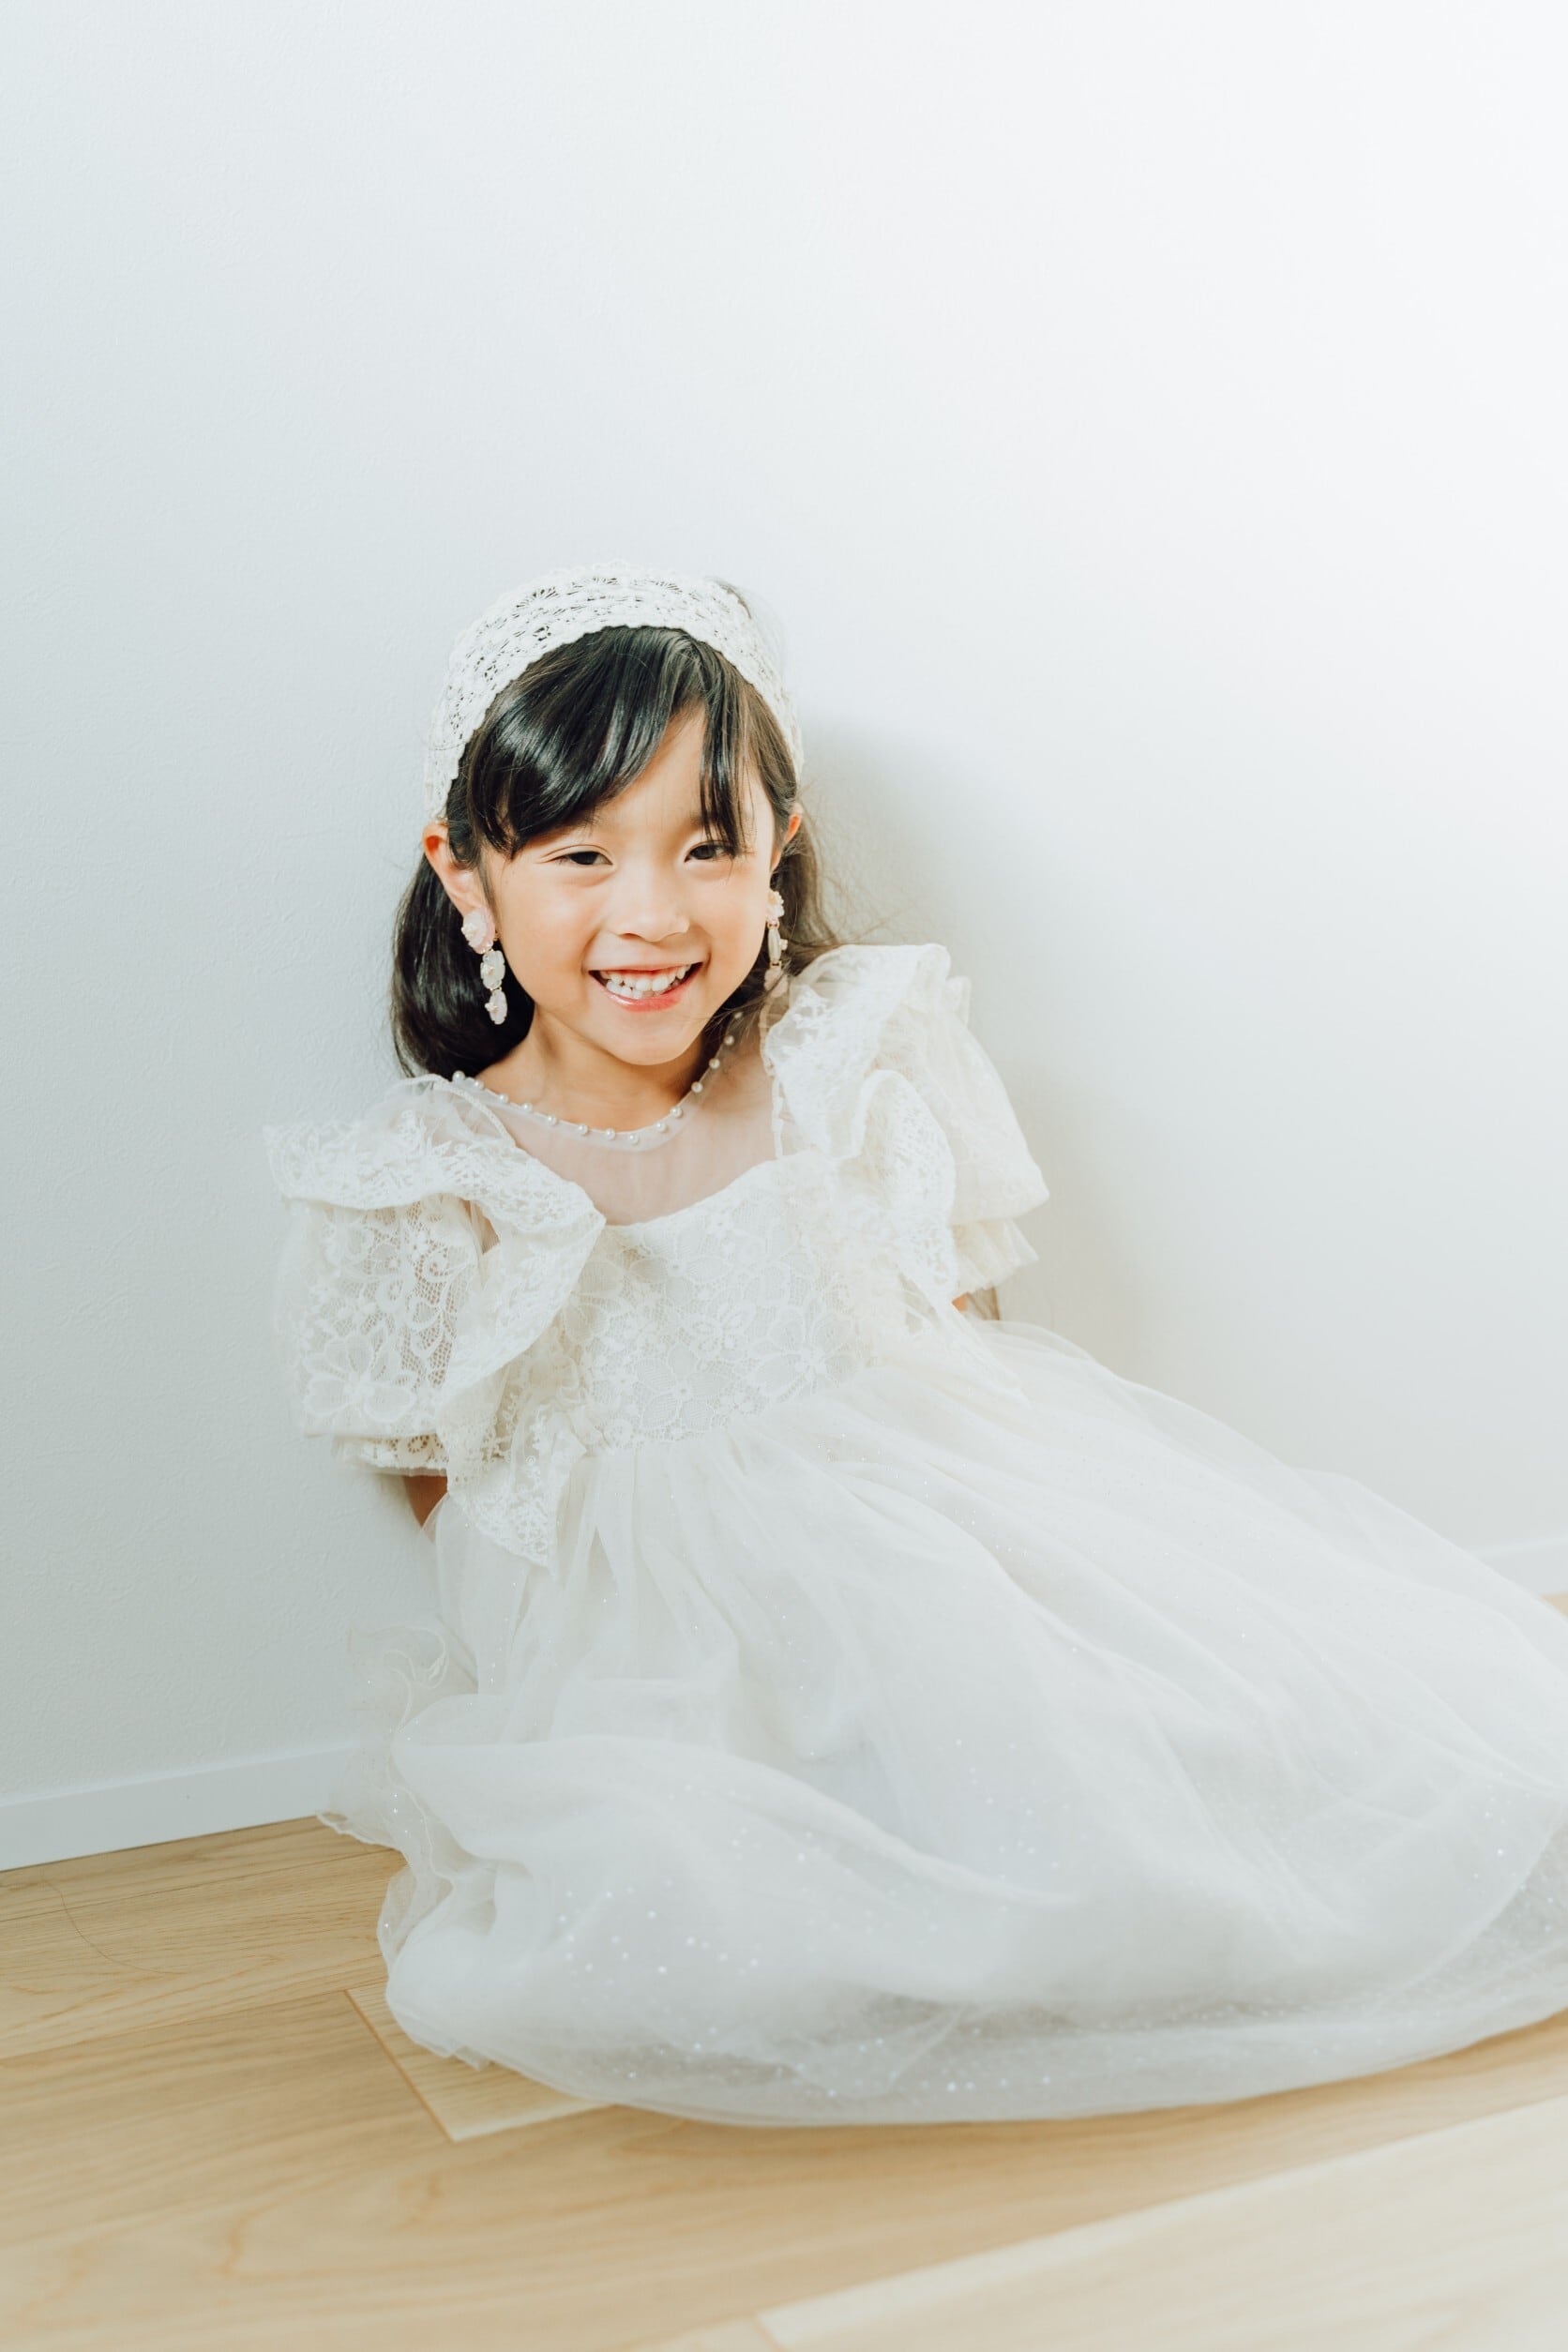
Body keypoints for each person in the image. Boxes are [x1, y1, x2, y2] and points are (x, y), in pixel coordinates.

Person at [263, 560, 1568, 2130]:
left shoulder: (840, 1063)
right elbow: (450, 1489)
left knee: (1185, 1780)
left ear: (778, 852)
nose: (651, 913)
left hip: (919, 1542)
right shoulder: (434, 1180)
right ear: (467, 875)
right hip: (655, 1639)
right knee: (694, 1919)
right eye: (581, 853)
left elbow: (953, 1360)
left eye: (706, 845)